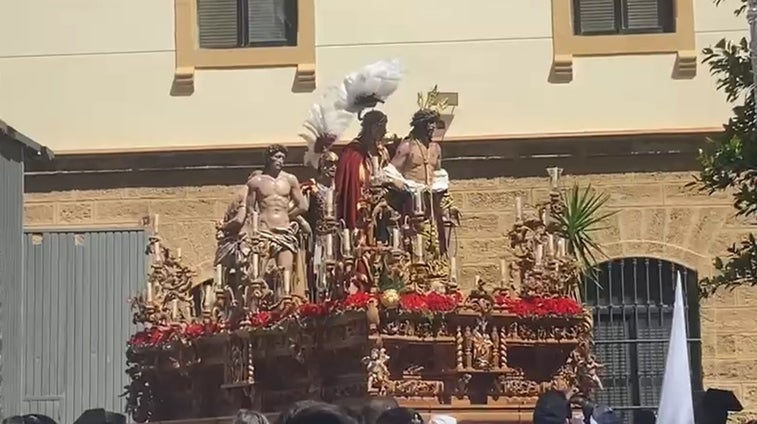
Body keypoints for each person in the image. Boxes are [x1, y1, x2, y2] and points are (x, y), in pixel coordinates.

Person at [244, 144, 309, 295]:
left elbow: (303, 205)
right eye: (277, 157)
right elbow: (250, 208)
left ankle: (283, 305)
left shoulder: (290, 180)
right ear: (269, 158)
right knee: (257, 276)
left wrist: (288, 216)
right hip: (264, 232)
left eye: (283, 158)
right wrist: (255, 225)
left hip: (284, 232)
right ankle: (256, 309)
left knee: (285, 273)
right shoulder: (256, 182)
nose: (281, 161)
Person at [335, 110, 388, 229]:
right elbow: (343, 182)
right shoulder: (351, 152)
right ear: (373, 128)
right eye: (382, 127)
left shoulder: (382, 152)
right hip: (359, 203)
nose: (384, 132)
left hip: (381, 205)